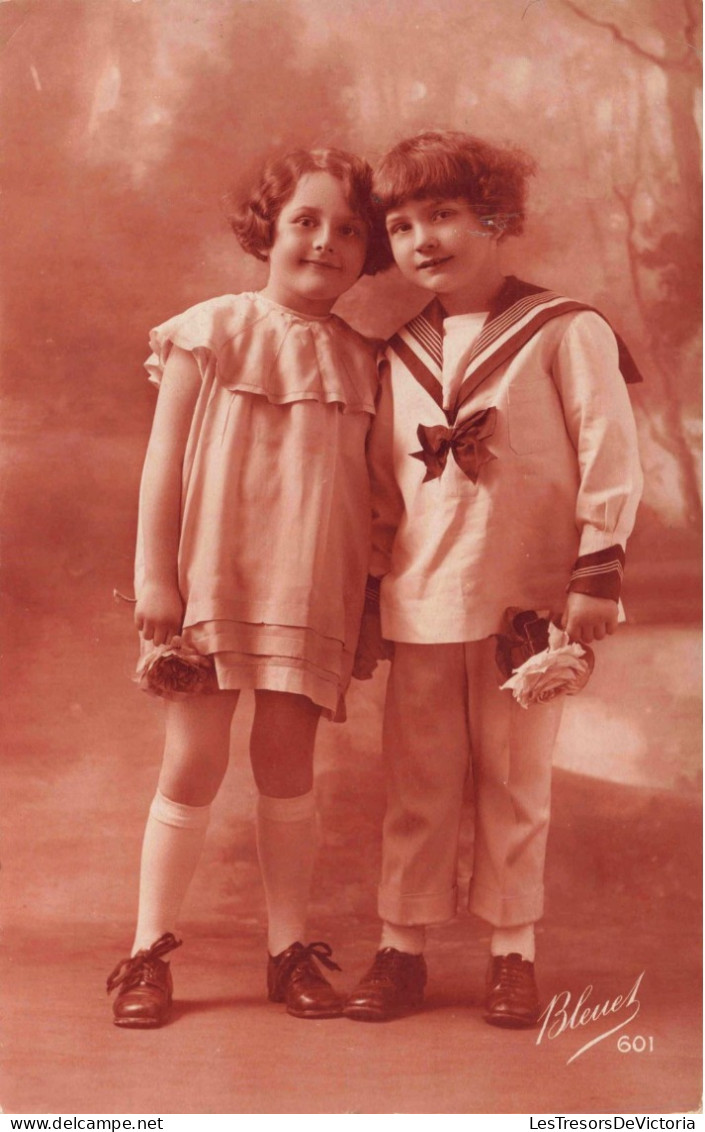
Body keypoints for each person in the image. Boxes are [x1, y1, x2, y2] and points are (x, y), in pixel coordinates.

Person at [345, 130, 643, 1027]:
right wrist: (367, 589)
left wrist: (596, 569)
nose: (422, 239)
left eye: (442, 214)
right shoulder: (392, 352)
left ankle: (513, 952)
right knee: (419, 784)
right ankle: (402, 948)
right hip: (422, 596)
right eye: (399, 225)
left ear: (495, 215)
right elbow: (376, 491)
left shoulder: (565, 328)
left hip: (526, 602)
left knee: (515, 782)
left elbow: (607, 448)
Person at [106, 147, 386, 1028]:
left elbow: (375, 494)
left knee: (286, 763)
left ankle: (288, 949)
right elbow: (162, 466)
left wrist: (370, 600)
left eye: (348, 229)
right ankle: (147, 950)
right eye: (305, 220)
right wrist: (155, 575)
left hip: (311, 583)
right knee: (192, 761)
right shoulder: (210, 329)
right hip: (210, 580)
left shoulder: (364, 357)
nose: (324, 242)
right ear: (268, 228)